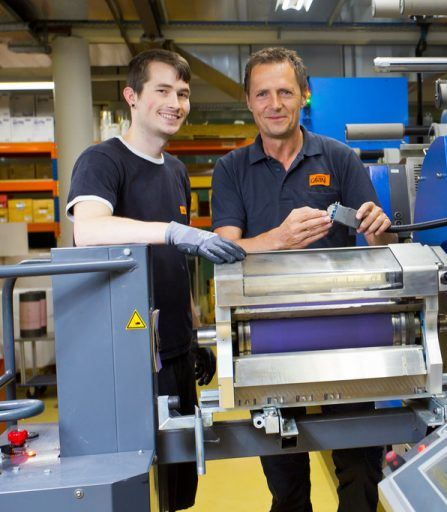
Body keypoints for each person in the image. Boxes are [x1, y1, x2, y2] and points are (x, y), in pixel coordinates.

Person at [212, 47, 397, 511]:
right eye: (263, 94)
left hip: (345, 334)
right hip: (269, 337)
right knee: (285, 475)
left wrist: (378, 226)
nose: (274, 103)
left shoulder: (339, 158)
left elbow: (377, 243)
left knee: (360, 467)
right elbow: (224, 249)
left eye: (285, 92)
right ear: (249, 102)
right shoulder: (231, 169)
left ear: (303, 96)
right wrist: (277, 238)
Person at [66, 48, 245, 511]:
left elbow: (176, 267)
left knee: (177, 488)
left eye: (183, 93)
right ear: (131, 96)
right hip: (130, 357)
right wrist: (171, 231)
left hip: (176, 352)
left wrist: (191, 336)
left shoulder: (178, 172)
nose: (176, 103)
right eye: (162, 90)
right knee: (138, 489)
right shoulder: (102, 161)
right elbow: (87, 229)